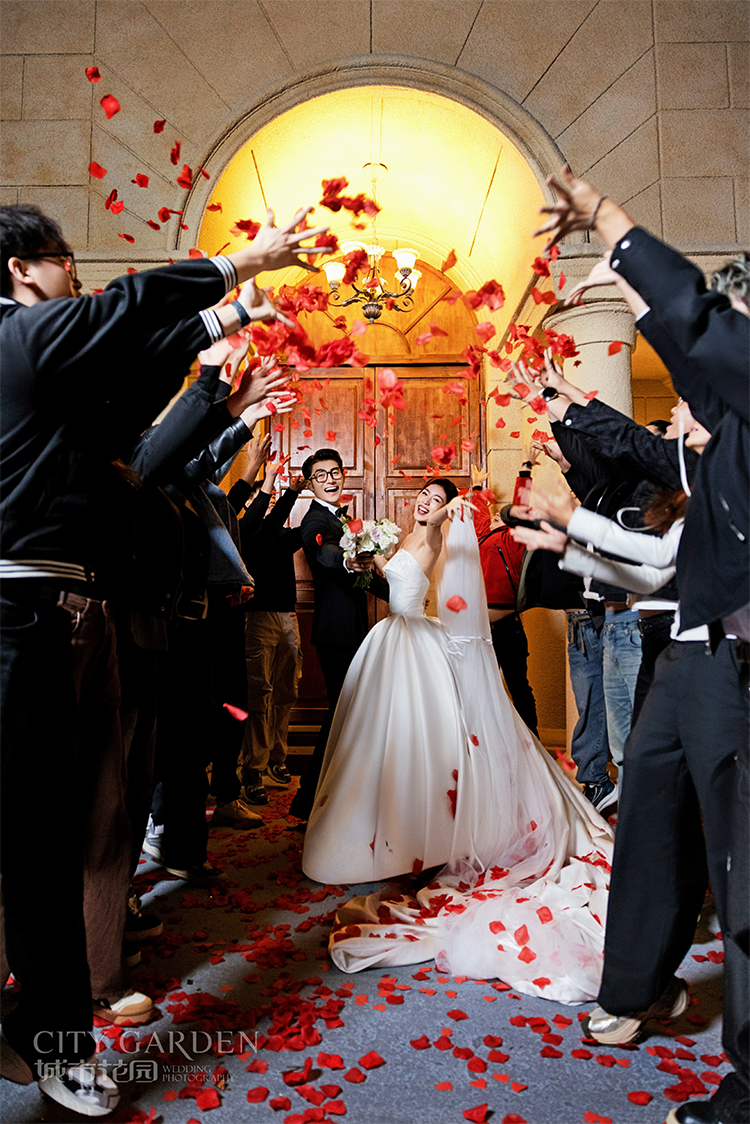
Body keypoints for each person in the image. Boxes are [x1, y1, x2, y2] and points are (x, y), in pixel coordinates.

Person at [0, 201, 330, 1114]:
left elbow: (124, 396)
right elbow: (124, 315)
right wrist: (243, 266)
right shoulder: (16, 337)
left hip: (41, 613)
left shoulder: (44, 367)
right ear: (22, 268)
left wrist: (227, 328)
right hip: (10, 610)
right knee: (35, 842)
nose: (77, 275)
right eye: (65, 259)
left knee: (42, 841)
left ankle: (51, 1038)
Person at [534, 165, 748, 1124]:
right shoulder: (714, 456)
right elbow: (663, 566)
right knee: (649, 820)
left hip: (736, 672)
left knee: (740, 868)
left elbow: (696, 334)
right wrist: (569, 532)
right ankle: (638, 988)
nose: (683, 406)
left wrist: (616, 234)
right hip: (683, 662)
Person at [302, 482, 614, 1005]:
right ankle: (392, 830)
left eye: (434, 496)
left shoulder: (433, 534)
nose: (425, 501)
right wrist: (367, 562)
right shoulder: (404, 534)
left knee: (422, 743)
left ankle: (424, 836)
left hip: (411, 641)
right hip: (392, 638)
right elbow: (393, 582)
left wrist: (447, 509)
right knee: (385, 745)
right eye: (423, 495)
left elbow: (434, 550)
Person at [289, 448, 389, 822]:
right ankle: (309, 798)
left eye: (334, 472)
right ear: (310, 483)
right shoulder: (315, 520)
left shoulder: (342, 518)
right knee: (341, 716)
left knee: (346, 716)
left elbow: (362, 578)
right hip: (335, 634)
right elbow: (326, 553)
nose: (329, 480)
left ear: (343, 475)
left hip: (351, 631)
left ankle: (326, 798)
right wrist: (346, 559)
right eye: (320, 475)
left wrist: (399, 593)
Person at [227, 444, 305, 805]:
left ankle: (277, 756)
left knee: (287, 692)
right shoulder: (243, 533)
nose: (269, 503)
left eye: (271, 499)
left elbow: (296, 527)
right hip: (256, 618)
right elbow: (262, 524)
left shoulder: (283, 535)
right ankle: (253, 767)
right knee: (259, 694)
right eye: (263, 498)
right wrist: (280, 487)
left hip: (288, 616)